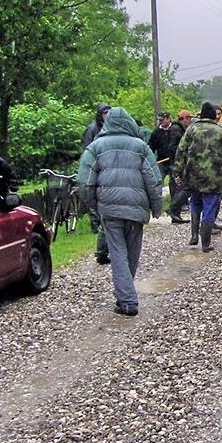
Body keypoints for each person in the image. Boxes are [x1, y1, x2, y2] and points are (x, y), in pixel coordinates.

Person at [78, 107, 163, 316]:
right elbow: (153, 180)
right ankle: (126, 294)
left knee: (118, 254)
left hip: (110, 208)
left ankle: (126, 299)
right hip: (136, 208)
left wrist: (93, 204)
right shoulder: (141, 147)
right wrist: (157, 207)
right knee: (132, 254)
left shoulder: (95, 148)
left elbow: (85, 182)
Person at [173, 102, 222, 251]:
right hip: (214, 177)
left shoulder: (191, 130)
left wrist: (177, 172)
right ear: (213, 116)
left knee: (195, 203)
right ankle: (205, 243)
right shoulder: (220, 131)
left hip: (193, 176)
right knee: (209, 207)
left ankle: (193, 235)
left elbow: (181, 151)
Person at [82, 103, 111, 264]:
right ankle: (101, 248)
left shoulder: (110, 129)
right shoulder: (92, 129)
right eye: (104, 113)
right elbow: (87, 151)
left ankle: (104, 248)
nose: (107, 115)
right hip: (96, 171)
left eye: (109, 112)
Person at [149, 111, 185, 221]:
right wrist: (150, 159)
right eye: (159, 120)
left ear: (169, 118)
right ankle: (156, 206)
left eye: (162, 119)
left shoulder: (175, 130)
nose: (160, 122)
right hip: (161, 162)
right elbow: (151, 146)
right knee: (157, 182)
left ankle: (174, 208)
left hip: (173, 162)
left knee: (174, 184)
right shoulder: (156, 132)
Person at [166, 109, 194, 223]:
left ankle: (175, 212)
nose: (190, 121)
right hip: (178, 163)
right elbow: (173, 147)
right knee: (183, 188)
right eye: (189, 118)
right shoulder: (176, 130)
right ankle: (174, 210)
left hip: (178, 162)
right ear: (185, 118)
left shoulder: (177, 128)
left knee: (183, 188)